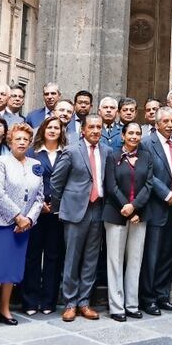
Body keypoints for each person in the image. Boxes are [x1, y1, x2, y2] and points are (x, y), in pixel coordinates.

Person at [0, 123, 44, 328]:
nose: (22, 142)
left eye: (26, 139)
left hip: (23, 227)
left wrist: (29, 219)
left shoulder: (35, 164)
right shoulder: (0, 162)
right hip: (0, 223)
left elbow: (39, 197)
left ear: (30, 142)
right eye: (18, 139)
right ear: (11, 141)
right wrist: (17, 216)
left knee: (12, 269)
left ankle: (5, 307)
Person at [51, 116, 110, 322]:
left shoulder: (107, 151)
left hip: (98, 210)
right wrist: (60, 210)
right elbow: (56, 182)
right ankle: (70, 303)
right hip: (76, 212)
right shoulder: (72, 150)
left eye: (98, 127)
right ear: (83, 130)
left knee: (91, 259)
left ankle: (84, 302)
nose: (95, 130)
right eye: (91, 127)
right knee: (72, 258)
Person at [103, 122, 154, 321]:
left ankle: (132, 305)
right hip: (116, 213)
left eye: (137, 133)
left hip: (139, 215)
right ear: (122, 136)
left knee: (135, 261)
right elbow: (111, 185)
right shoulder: (112, 156)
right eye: (130, 133)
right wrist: (126, 207)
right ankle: (116, 307)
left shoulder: (146, 157)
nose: (134, 136)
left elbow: (149, 185)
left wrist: (134, 207)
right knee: (114, 261)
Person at [22, 116, 67, 316]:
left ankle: (49, 300)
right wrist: (39, 205)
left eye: (57, 128)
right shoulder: (32, 152)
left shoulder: (67, 153)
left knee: (53, 256)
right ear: (43, 129)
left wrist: (55, 205)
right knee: (32, 255)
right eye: (49, 127)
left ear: (61, 131)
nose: (53, 130)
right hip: (35, 211)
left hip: (58, 211)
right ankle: (30, 301)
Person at [140, 107, 172, 315]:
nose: (170, 125)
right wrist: (165, 193)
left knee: (167, 254)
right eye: (165, 121)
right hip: (157, 206)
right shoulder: (147, 143)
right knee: (152, 255)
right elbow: (147, 173)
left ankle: (162, 294)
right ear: (157, 124)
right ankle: (148, 298)